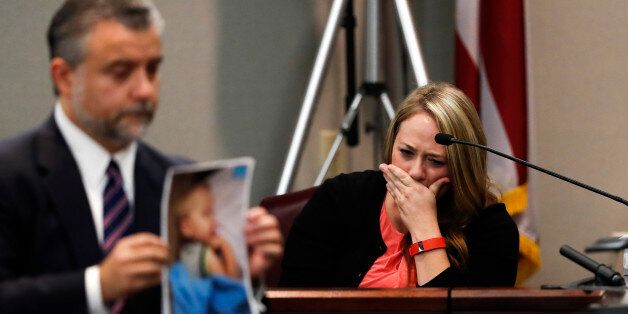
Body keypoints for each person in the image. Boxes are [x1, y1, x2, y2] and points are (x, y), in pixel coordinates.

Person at [0, 1, 282, 313]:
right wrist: (97, 286)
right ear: (64, 77)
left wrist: (242, 275)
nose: (145, 90)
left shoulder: (181, 182)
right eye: (121, 72)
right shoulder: (10, 175)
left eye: (152, 69)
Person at [279, 82, 519, 288]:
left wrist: (424, 226)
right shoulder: (341, 199)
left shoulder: (491, 227)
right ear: (391, 145)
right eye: (406, 152)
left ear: (462, 167)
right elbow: (291, 303)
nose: (415, 172)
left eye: (435, 161)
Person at [167, 172, 249, 314]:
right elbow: (231, 286)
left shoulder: (184, 253)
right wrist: (226, 247)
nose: (214, 221)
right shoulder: (204, 255)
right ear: (186, 227)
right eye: (206, 213)